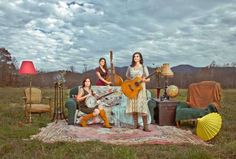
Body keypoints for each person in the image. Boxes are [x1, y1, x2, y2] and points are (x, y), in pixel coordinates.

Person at [125, 52, 151, 132]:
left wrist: (144, 80)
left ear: (140, 58)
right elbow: (127, 76)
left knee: (142, 107)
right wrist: (131, 82)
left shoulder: (143, 67)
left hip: (141, 89)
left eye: (137, 56)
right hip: (133, 89)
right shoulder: (130, 67)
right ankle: (135, 125)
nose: (136, 58)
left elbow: (148, 79)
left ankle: (145, 127)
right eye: (134, 56)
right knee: (134, 106)